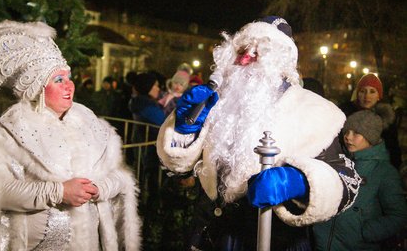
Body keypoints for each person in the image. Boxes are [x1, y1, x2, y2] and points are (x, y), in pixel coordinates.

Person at [156, 16, 361, 250]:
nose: (246, 57)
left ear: (280, 60)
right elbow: (176, 170)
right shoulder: (218, 102)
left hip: (274, 239)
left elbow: (348, 181)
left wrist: (300, 182)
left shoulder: (315, 111)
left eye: (259, 49)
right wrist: (183, 130)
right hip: (209, 234)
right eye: (242, 48)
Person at [0, 20, 141, 250]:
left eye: (69, 78)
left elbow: (120, 177)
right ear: (37, 87)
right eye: (59, 80)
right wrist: (58, 192)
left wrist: (99, 188)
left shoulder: (92, 125)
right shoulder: (9, 131)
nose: (69, 86)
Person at [313, 110, 407, 250]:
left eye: (356, 133)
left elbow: (399, 215)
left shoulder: (384, 172)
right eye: (347, 131)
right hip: (321, 244)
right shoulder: (337, 161)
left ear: (371, 137)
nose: (348, 137)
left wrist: (367, 232)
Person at [339, 73, 401, 169]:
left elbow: (393, 148)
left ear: (378, 95)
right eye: (363, 91)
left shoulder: (386, 118)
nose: (367, 96)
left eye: (372, 91)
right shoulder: (344, 113)